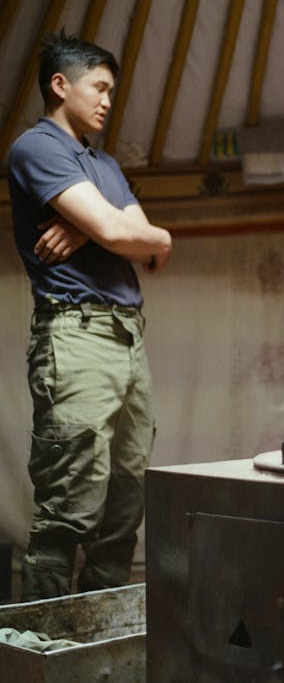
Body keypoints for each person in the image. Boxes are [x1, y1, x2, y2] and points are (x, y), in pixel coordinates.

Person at [7, 31, 172, 601]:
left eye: (110, 90)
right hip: (76, 336)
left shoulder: (104, 164)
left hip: (129, 339)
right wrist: (106, 226)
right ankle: (48, 648)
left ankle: (105, 650)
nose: (107, 99)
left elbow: (154, 252)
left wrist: (96, 227)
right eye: (98, 87)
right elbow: (121, 231)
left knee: (123, 514)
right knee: (68, 513)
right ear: (60, 84)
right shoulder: (38, 147)